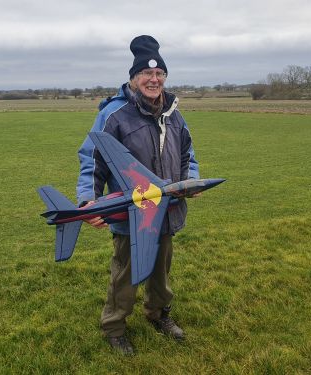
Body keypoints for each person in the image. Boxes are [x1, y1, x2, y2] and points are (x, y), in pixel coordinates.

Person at [76, 35, 199, 355]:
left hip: (168, 210)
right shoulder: (114, 114)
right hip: (130, 214)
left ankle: (159, 314)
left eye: (160, 75)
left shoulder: (173, 112)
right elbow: (92, 159)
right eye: (147, 74)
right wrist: (88, 200)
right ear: (133, 77)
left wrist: (191, 181)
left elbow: (188, 152)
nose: (154, 79)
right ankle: (115, 327)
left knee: (161, 270)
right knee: (126, 273)